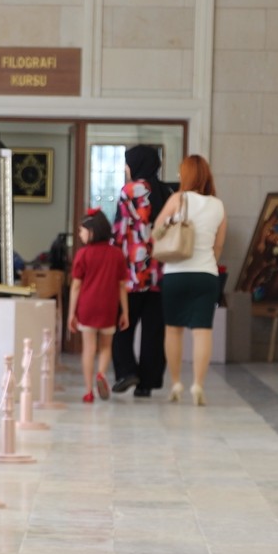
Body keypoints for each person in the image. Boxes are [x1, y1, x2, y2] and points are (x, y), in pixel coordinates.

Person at [155, 155, 227, 406]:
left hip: (177, 272)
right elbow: (218, 246)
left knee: (173, 330)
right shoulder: (218, 205)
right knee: (202, 332)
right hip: (207, 275)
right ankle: (198, 384)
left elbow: (157, 229)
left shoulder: (178, 199)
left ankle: (176, 383)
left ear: (185, 175)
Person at [110, 145, 172, 397]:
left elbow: (120, 229)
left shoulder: (130, 191)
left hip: (133, 274)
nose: (126, 168)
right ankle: (147, 382)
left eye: (127, 163)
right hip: (161, 272)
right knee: (154, 331)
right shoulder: (167, 191)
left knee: (121, 324)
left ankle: (127, 371)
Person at [67, 209, 129, 403]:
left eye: (81, 231)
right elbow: (121, 286)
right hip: (109, 307)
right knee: (105, 347)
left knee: (88, 349)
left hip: (87, 306)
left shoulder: (82, 254)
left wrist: (71, 313)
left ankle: (88, 391)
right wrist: (125, 311)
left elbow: (76, 286)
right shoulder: (117, 254)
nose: (79, 234)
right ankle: (101, 374)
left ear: (91, 231)